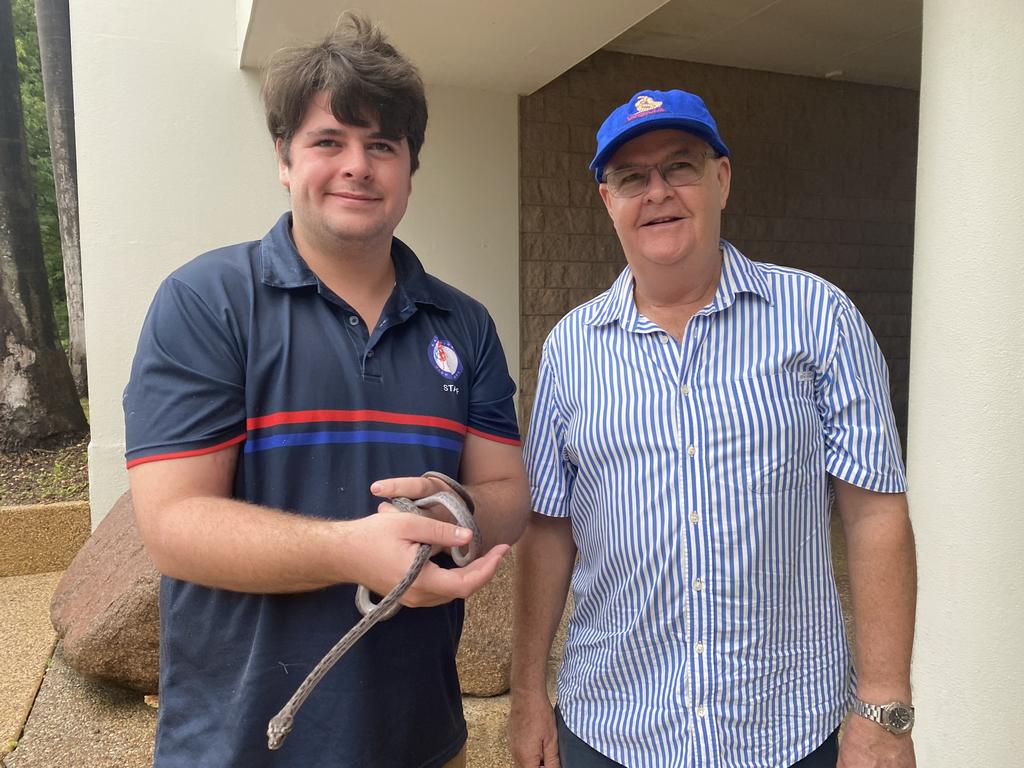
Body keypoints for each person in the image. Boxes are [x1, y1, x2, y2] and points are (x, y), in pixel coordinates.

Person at [123, 15, 529, 768]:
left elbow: (507, 489)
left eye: (383, 145)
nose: (358, 166)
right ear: (284, 158)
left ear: (411, 167)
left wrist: (452, 504)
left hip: (421, 739)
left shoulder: (464, 324)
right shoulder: (207, 302)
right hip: (240, 744)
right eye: (328, 141)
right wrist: (352, 551)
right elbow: (172, 525)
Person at [509, 89, 916, 768]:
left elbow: (875, 514)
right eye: (631, 177)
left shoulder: (819, 319)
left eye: (680, 166)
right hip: (614, 731)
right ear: (606, 200)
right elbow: (547, 531)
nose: (657, 192)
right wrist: (527, 696)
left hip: (789, 730)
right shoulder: (569, 349)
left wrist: (884, 710)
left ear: (722, 178)